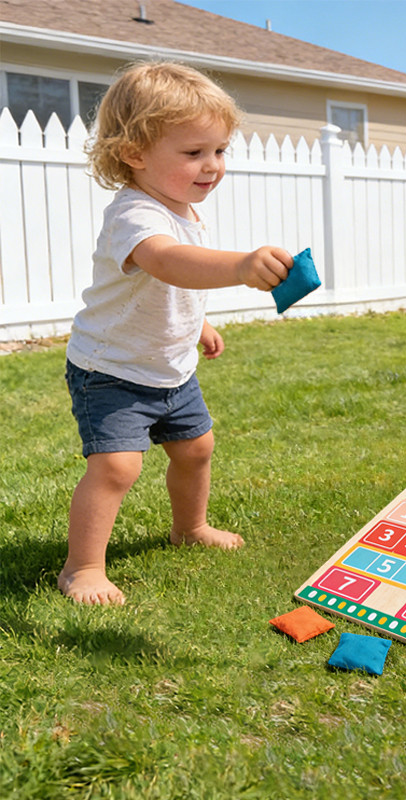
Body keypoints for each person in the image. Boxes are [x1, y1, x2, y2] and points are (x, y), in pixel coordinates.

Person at [60, 61, 293, 605]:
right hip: (112, 369)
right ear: (134, 153)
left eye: (220, 150)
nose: (212, 165)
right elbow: (166, 262)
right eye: (193, 152)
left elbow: (167, 284)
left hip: (170, 369)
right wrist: (241, 266)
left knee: (196, 449)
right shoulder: (134, 214)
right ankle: (82, 568)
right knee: (117, 467)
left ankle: (190, 528)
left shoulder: (182, 208)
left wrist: (197, 322)